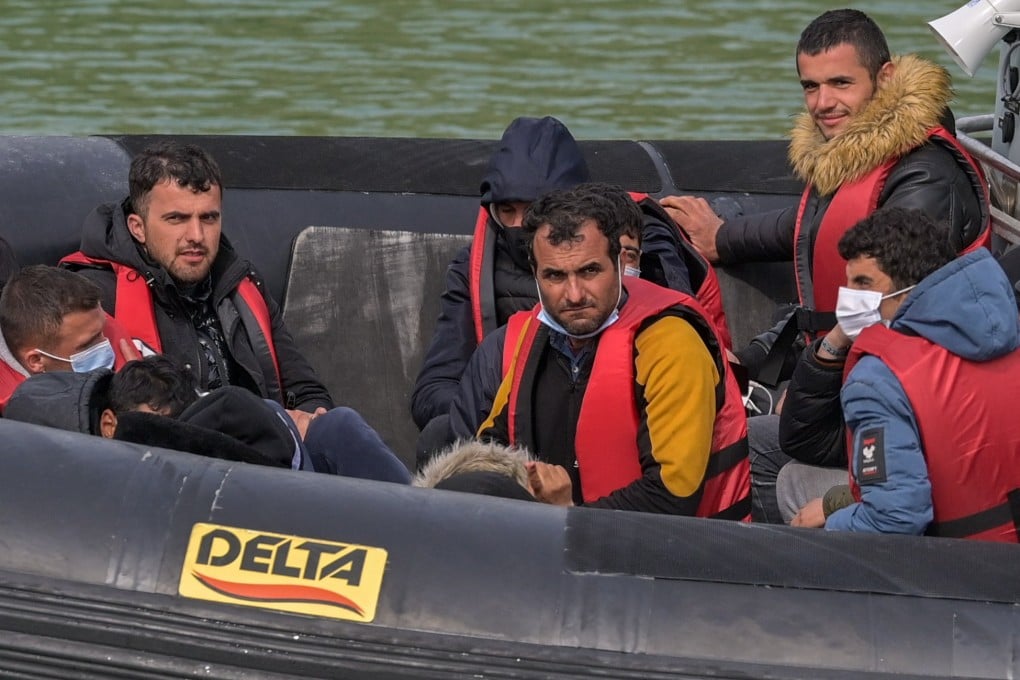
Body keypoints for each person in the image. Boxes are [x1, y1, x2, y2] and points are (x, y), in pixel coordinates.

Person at [660, 9, 991, 523]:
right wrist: (723, 238)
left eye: (840, 83)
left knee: (762, 457)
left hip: (907, 399)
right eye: (810, 87)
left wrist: (808, 381)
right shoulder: (861, 158)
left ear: (883, 79)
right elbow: (816, 223)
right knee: (728, 433)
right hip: (849, 376)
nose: (823, 103)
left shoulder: (926, 177)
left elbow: (884, 304)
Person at [411, 117, 731, 468]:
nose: (520, 225)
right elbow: (433, 389)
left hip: (623, 419)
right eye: (507, 211)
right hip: (516, 427)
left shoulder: (635, 240)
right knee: (439, 437)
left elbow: (671, 348)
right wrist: (511, 404)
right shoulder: (475, 266)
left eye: (533, 210)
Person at [449, 185, 750, 516]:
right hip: (559, 536)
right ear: (535, 275)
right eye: (555, 276)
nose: (574, 294)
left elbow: (672, 498)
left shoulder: (671, 340)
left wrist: (570, 514)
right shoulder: (537, 332)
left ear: (620, 264)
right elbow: (493, 442)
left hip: (674, 553)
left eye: (589, 271)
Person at [787, 207, 1020, 542]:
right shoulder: (1008, 330)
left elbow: (894, 519)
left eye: (863, 284)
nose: (850, 299)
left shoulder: (879, 379)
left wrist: (833, 519)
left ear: (909, 287)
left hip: (958, 571)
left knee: (790, 483)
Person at [60, 141, 333, 424]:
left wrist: (311, 419)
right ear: (137, 227)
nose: (196, 235)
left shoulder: (242, 283)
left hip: (267, 448)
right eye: (176, 219)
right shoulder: (95, 299)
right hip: (172, 456)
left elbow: (305, 389)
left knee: (339, 424)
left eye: (208, 218)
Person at [0, 265, 137, 411]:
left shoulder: (90, 325)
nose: (106, 345)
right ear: (36, 360)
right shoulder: (13, 421)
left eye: (104, 330)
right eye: (88, 345)